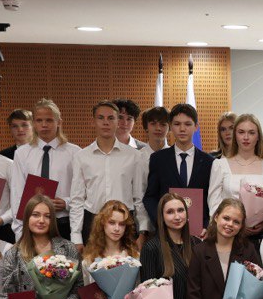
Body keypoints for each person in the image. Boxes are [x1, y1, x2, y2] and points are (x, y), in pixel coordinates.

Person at [71, 100, 144, 246]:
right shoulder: (81, 156)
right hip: (92, 221)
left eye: (111, 118)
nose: (106, 122)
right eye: (101, 118)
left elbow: (139, 198)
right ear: (93, 122)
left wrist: (143, 231)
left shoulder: (134, 156)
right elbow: (77, 200)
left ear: (118, 122)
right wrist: (76, 236)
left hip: (124, 223)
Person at [143, 103, 216, 235]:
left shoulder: (209, 162)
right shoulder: (158, 159)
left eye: (188, 124)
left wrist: (207, 225)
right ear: (170, 126)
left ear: (196, 127)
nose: (182, 129)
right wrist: (161, 222)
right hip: (166, 234)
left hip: (199, 233)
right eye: (177, 124)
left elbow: (212, 199)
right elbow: (150, 197)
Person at [12, 99, 78, 240]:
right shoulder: (22, 153)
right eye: (39, 120)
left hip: (64, 222)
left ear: (59, 122)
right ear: (34, 123)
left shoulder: (74, 153)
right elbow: (17, 194)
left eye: (49, 120)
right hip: (33, 223)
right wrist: (19, 233)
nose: (44, 125)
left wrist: (67, 202)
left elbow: (82, 191)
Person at [208, 113, 263, 235]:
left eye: (251, 133)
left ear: (258, 136)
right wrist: (230, 224)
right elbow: (214, 204)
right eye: (241, 132)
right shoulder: (220, 165)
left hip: (261, 235)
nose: (246, 137)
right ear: (235, 135)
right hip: (227, 234)